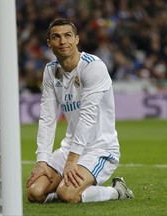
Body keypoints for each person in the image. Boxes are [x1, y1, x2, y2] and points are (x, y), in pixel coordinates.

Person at [26, 18, 134, 204]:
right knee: (35, 193)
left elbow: (88, 117)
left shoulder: (93, 67)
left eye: (68, 36)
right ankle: (66, 190)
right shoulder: (50, 71)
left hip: (100, 148)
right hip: (70, 147)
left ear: (77, 39)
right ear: (49, 43)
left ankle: (117, 191)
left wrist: (72, 161)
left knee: (68, 194)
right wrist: (42, 161)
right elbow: (47, 118)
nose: (62, 41)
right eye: (56, 37)